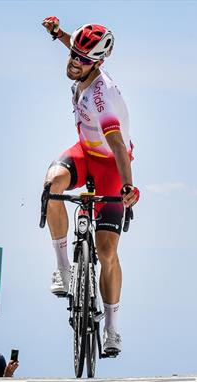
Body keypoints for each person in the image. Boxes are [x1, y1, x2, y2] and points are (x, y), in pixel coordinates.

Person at [41, 17, 140, 356]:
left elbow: (116, 147)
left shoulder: (103, 98)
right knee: (53, 184)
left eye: (82, 59)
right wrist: (58, 35)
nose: (73, 61)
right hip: (84, 153)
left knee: (108, 252)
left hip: (113, 164)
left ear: (98, 63)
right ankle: (64, 269)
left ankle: (112, 329)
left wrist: (128, 187)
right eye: (72, 53)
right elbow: (77, 47)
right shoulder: (83, 61)